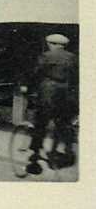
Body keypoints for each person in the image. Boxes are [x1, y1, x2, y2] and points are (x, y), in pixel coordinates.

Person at [26, 33, 78, 174]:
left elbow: (36, 74)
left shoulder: (46, 56)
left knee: (40, 124)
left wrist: (28, 88)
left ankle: (35, 157)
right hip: (66, 95)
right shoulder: (72, 57)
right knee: (63, 123)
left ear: (51, 44)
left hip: (48, 94)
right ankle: (65, 151)